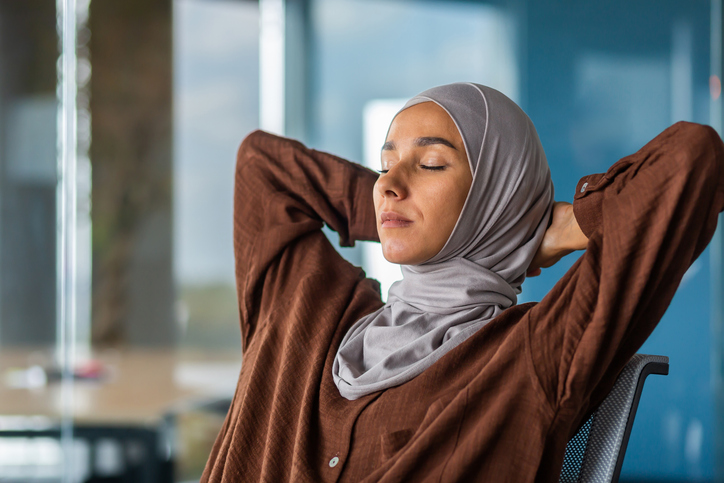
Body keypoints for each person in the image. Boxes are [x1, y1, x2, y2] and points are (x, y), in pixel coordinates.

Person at [201, 83, 724, 482]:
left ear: (494, 197)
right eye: (386, 166)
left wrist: (558, 223)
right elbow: (261, 168)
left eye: (430, 163)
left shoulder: (530, 354)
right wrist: (401, 206)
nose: (390, 185)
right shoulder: (311, 313)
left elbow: (691, 160)